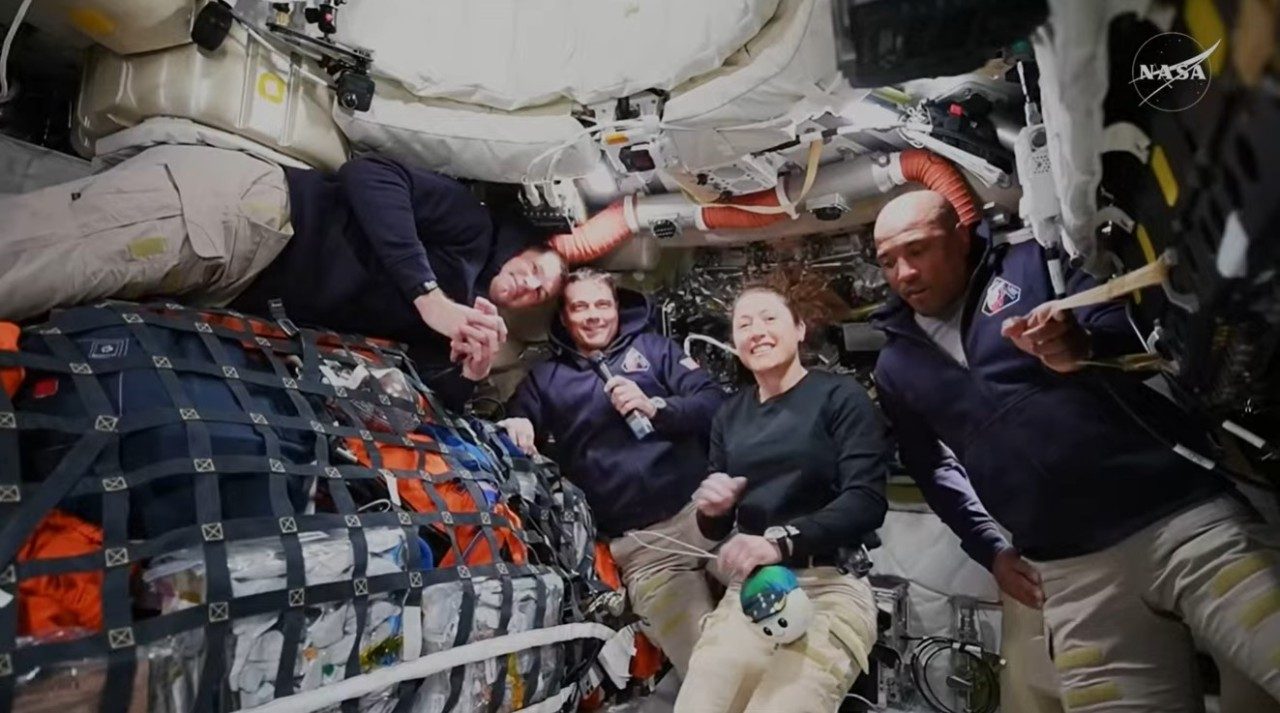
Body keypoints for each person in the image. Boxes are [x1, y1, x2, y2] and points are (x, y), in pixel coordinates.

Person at [871, 189, 1280, 710]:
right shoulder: (896, 366)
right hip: (1071, 575)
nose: (904, 273)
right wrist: (990, 550)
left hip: (1182, 522)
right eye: (888, 262)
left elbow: (1137, 333)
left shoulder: (1036, 261)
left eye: (918, 250)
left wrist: (1083, 348)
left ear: (960, 234)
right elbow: (932, 468)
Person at [0, 145, 566, 406]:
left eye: (540, 294)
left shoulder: (465, 320)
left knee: (50, 295)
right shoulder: (474, 229)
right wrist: (426, 294)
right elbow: (371, 176)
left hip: (236, 291)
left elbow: (405, 386)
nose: (530, 285)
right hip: (250, 217)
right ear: (526, 247)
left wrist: (467, 372)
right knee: (44, 257)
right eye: (537, 269)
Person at [673, 283, 888, 713]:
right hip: (755, 589)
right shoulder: (730, 415)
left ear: (800, 328)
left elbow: (865, 500)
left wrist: (779, 542)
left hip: (830, 583)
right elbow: (715, 526)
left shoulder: (839, 397)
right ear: (735, 341)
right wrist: (714, 512)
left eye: (770, 318)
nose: (757, 331)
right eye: (744, 324)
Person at [501, 268, 726, 677]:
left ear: (617, 308)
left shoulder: (656, 350)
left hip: (705, 514)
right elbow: (515, 420)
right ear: (565, 317)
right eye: (579, 307)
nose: (592, 315)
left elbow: (715, 403)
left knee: (778, 605)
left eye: (601, 304)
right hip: (641, 550)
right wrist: (517, 426)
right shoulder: (546, 380)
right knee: (709, 670)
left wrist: (658, 409)